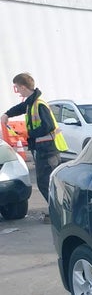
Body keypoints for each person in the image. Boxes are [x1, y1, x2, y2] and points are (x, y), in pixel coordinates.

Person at [1, 72, 67, 219]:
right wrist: (6, 114)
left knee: (46, 183)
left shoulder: (39, 105)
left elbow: (48, 126)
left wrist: (28, 133)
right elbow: (21, 107)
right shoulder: (31, 103)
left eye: (17, 88)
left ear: (23, 87)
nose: (17, 91)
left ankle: (58, 214)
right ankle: (57, 212)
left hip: (48, 150)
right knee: (47, 182)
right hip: (44, 149)